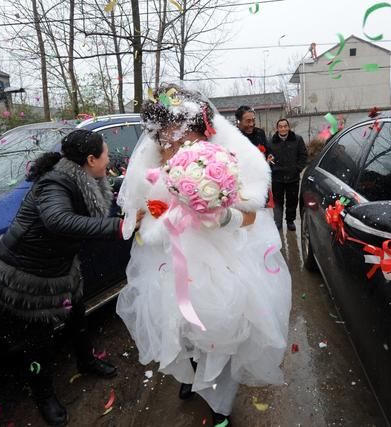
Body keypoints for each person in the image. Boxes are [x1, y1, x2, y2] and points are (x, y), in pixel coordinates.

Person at [116, 84, 292, 427]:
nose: (175, 150)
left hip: (226, 262)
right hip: (171, 264)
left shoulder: (228, 161)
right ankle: (191, 375)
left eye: (182, 140)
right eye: (166, 142)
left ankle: (220, 404)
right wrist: (147, 220)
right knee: (180, 329)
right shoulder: (153, 166)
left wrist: (223, 217)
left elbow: (252, 214)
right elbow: (145, 218)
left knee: (223, 330)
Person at [0, 129, 141, 426]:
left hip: (58, 267)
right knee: (37, 341)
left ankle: (87, 360)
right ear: (91, 159)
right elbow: (58, 220)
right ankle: (43, 395)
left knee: (78, 317)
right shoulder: (55, 182)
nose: (109, 159)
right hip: (27, 273)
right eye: (106, 154)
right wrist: (117, 227)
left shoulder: (85, 177)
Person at [268, 118, 307, 231]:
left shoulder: (297, 139)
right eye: (281, 126)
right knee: (277, 202)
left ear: (288, 127)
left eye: (285, 126)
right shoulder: (271, 141)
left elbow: (303, 155)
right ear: (277, 128)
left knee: (292, 200)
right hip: (277, 178)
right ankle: (278, 221)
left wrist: (298, 169)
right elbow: (268, 157)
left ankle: (290, 221)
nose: (283, 128)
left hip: (293, 177)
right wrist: (272, 167)